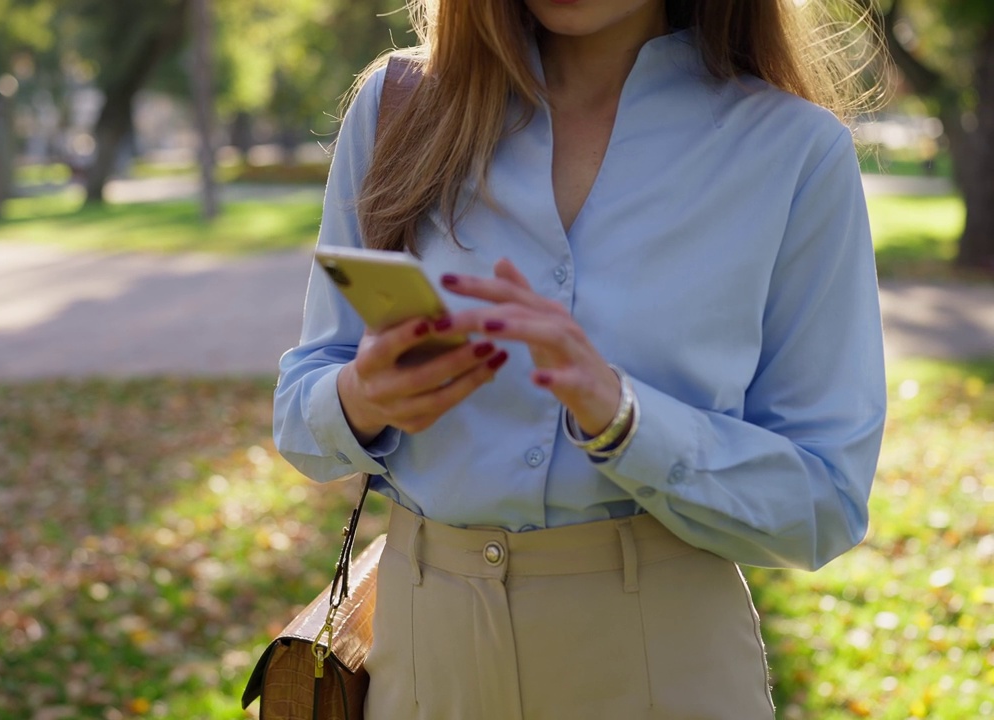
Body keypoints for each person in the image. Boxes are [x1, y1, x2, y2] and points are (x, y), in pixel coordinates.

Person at [273, 0, 887, 717]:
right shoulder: (399, 105)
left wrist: (625, 421)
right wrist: (358, 400)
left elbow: (825, 505)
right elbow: (298, 411)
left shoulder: (792, 150)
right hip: (420, 667)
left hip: (664, 667)